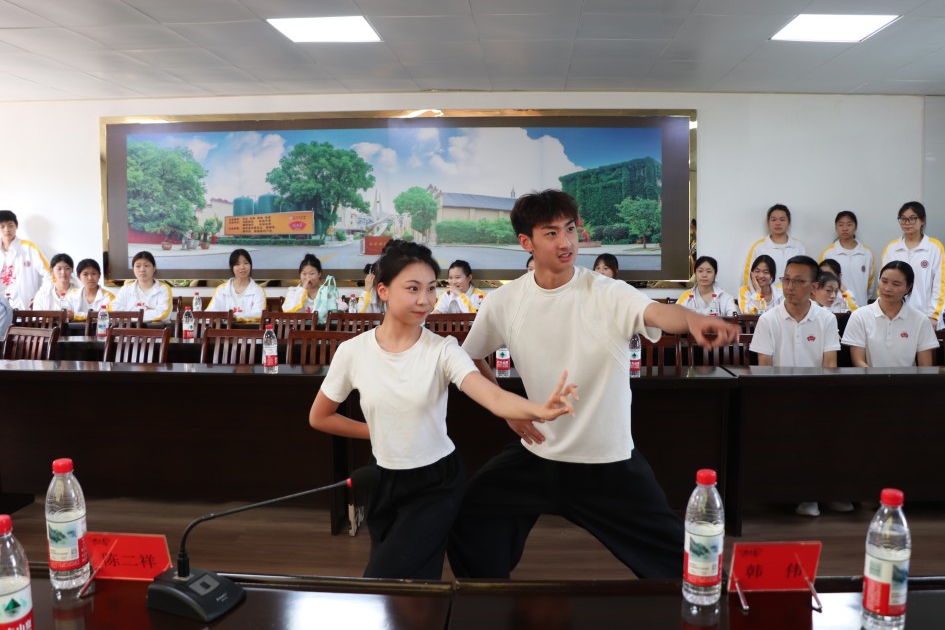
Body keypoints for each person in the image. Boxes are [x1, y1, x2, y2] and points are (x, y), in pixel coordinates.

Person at [448, 190, 739, 580]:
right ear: (526, 242)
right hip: (539, 452)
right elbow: (470, 356)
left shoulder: (606, 292)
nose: (566, 242)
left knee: (679, 563)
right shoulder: (505, 301)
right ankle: (488, 600)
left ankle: (708, 604)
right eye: (551, 233)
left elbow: (657, 312)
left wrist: (691, 320)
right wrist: (508, 410)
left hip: (607, 461)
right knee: (471, 517)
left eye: (570, 229)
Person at [308, 240, 577, 580]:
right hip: (383, 479)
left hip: (436, 483)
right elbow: (319, 417)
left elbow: (492, 398)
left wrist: (538, 408)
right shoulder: (353, 352)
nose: (425, 299)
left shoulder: (443, 350)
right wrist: (378, 429)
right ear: (383, 290)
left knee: (382, 579)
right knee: (414, 584)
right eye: (413, 288)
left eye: (431, 288)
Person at [749, 255, 842, 518]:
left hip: (816, 396)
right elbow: (764, 369)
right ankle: (806, 494)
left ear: (814, 287)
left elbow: (830, 366)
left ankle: (828, 491)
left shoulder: (826, 319)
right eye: (787, 280)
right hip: (778, 396)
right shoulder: (769, 319)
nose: (790, 286)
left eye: (798, 281)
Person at [843, 261, 939, 367]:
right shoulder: (859, 316)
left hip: (908, 378)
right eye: (884, 281)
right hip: (871, 377)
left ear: (908, 287)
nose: (887, 288)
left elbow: (925, 366)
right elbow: (858, 361)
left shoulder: (920, 320)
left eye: (896, 284)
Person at [881, 202, 945, 330]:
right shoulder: (891, 248)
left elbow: (940, 284)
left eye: (912, 218)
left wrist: (934, 316)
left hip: (925, 317)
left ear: (922, 220)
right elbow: (883, 283)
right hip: (895, 316)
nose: (907, 223)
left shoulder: (934, 247)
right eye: (903, 219)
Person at [742, 204, 807, 287]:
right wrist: (755, 294)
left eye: (782, 220)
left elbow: (806, 274)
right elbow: (749, 276)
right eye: (773, 220)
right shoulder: (759, 248)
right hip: (766, 294)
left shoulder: (799, 247)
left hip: (794, 293)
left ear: (789, 222)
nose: (778, 223)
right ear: (768, 222)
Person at [819, 211, 875, 301]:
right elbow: (822, 282)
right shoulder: (828, 253)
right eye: (840, 225)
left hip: (860, 306)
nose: (845, 228)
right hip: (835, 306)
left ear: (856, 227)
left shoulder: (867, 253)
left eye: (849, 224)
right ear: (836, 227)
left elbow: (870, 285)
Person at [0, 210, 49, 310]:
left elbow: (50, 274)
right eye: (2, 226)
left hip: (24, 307)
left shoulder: (29, 248)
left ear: (16, 226)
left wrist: (40, 297)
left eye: (10, 225)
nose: (6, 230)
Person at [110, 251, 173, 322]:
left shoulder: (163, 288)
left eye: (146, 266)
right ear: (133, 269)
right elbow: (113, 309)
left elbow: (163, 313)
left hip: (155, 328)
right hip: (129, 328)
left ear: (154, 268)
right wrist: (146, 312)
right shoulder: (126, 288)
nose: (142, 269)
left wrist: (131, 313)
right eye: (138, 266)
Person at [206, 249, 266, 322]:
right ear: (232, 267)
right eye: (237, 264)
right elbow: (210, 312)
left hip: (249, 329)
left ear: (250, 265)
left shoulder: (258, 291)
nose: (242, 267)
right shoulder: (221, 290)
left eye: (246, 263)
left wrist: (235, 317)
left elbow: (259, 314)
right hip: (224, 329)